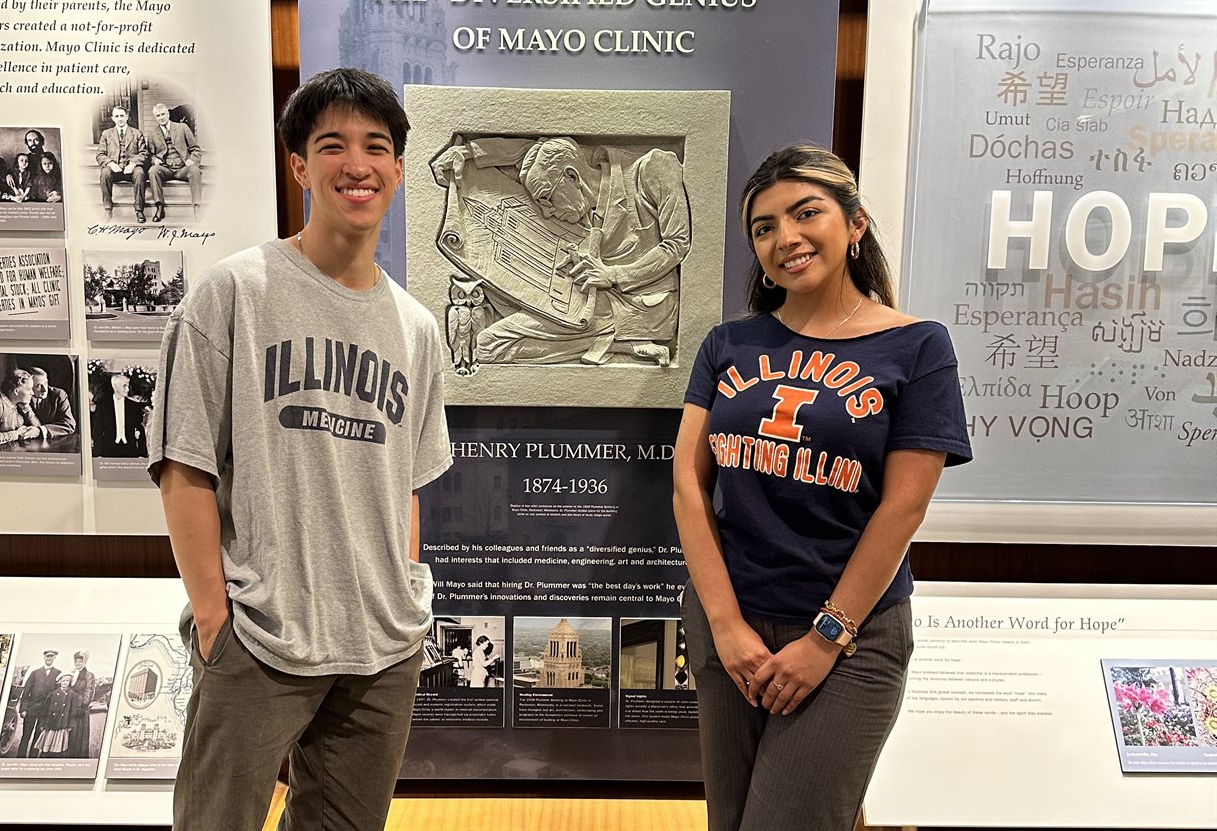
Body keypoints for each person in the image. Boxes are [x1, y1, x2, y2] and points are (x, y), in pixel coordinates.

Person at [150, 67, 452, 831]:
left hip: (381, 645)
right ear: (300, 166)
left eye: (376, 147)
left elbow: (407, 485)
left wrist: (405, 595)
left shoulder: (416, 329)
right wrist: (216, 621)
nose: (358, 165)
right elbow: (184, 467)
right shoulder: (233, 294)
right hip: (259, 635)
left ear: (398, 168)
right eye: (333, 145)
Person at [673, 146, 972, 831]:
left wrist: (826, 637)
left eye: (806, 214)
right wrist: (724, 627)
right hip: (733, 629)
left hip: (849, 640)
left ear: (856, 222)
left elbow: (903, 509)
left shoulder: (918, 346)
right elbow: (688, 486)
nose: (786, 239)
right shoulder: (729, 343)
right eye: (765, 227)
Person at [432, 136, 690, 366]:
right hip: (579, 299)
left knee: (487, 345)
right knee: (489, 339)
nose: (547, 211)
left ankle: (621, 342)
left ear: (572, 177)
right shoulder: (578, 187)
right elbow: (529, 151)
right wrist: (466, 153)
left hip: (643, 307)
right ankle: (616, 343)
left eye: (546, 198)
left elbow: (677, 244)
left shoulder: (652, 169)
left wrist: (612, 275)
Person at [146, 102, 203, 222]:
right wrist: (155, 159)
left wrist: (191, 160)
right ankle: (159, 207)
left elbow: (196, 149)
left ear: (168, 113)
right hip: (166, 168)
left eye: (163, 114)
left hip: (183, 168)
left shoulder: (182, 127)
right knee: (152, 171)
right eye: (158, 116)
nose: (161, 117)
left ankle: (197, 207)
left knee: (195, 170)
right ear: (155, 117)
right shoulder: (152, 134)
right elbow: (150, 155)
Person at [96, 105, 149, 223]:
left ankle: (139, 210)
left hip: (131, 170)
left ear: (127, 117)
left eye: (122, 116)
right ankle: (108, 209)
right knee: (104, 173)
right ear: (112, 118)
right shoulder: (106, 134)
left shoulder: (136, 133)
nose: (120, 119)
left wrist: (133, 163)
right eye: (117, 116)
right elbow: (100, 155)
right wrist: (110, 163)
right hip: (115, 170)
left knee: (140, 173)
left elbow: (144, 153)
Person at [91, 371, 148, 458]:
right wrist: (98, 454)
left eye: (128, 386)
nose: (128, 389)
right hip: (108, 451)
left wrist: (142, 454)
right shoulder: (103, 405)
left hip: (130, 450)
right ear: (115, 387)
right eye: (124, 386)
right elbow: (97, 430)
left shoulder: (134, 407)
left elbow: (140, 431)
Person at [16, 648, 61, 756]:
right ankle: (19, 758)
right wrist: (23, 709)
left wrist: (54, 712)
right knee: (26, 735)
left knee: (38, 737)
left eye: (51, 656)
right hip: (31, 709)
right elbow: (26, 692)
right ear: (44, 658)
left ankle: (32, 758)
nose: (49, 658)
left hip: (45, 712)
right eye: (47, 656)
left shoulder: (58, 673)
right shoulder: (35, 673)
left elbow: (57, 694)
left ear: (54, 658)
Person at [0, 369, 41, 448]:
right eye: (29, 389)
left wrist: (27, 409)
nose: (32, 393)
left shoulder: (19, 403)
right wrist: (16, 434)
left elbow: (38, 428)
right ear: (16, 391)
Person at [25, 367, 76, 442]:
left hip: (55, 443)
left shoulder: (58, 395)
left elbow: (69, 425)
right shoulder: (23, 397)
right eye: (38, 386)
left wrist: (40, 431)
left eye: (45, 383)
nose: (44, 389)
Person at [33, 673, 77, 758]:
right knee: (47, 745)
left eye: (67, 681)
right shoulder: (53, 694)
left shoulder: (72, 695)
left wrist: (71, 725)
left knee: (59, 746)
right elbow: (45, 710)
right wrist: (42, 724)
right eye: (63, 680)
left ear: (70, 682)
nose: (65, 683)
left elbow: (73, 712)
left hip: (63, 724)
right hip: (51, 724)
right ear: (60, 681)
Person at [67, 651, 96, 758]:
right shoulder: (72, 673)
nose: (78, 663)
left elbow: (89, 690)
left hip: (80, 708)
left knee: (79, 733)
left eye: (80, 661)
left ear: (84, 662)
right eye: (77, 661)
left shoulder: (89, 675)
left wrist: (84, 706)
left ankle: (79, 756)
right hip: (70, 707)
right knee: (70, 732)